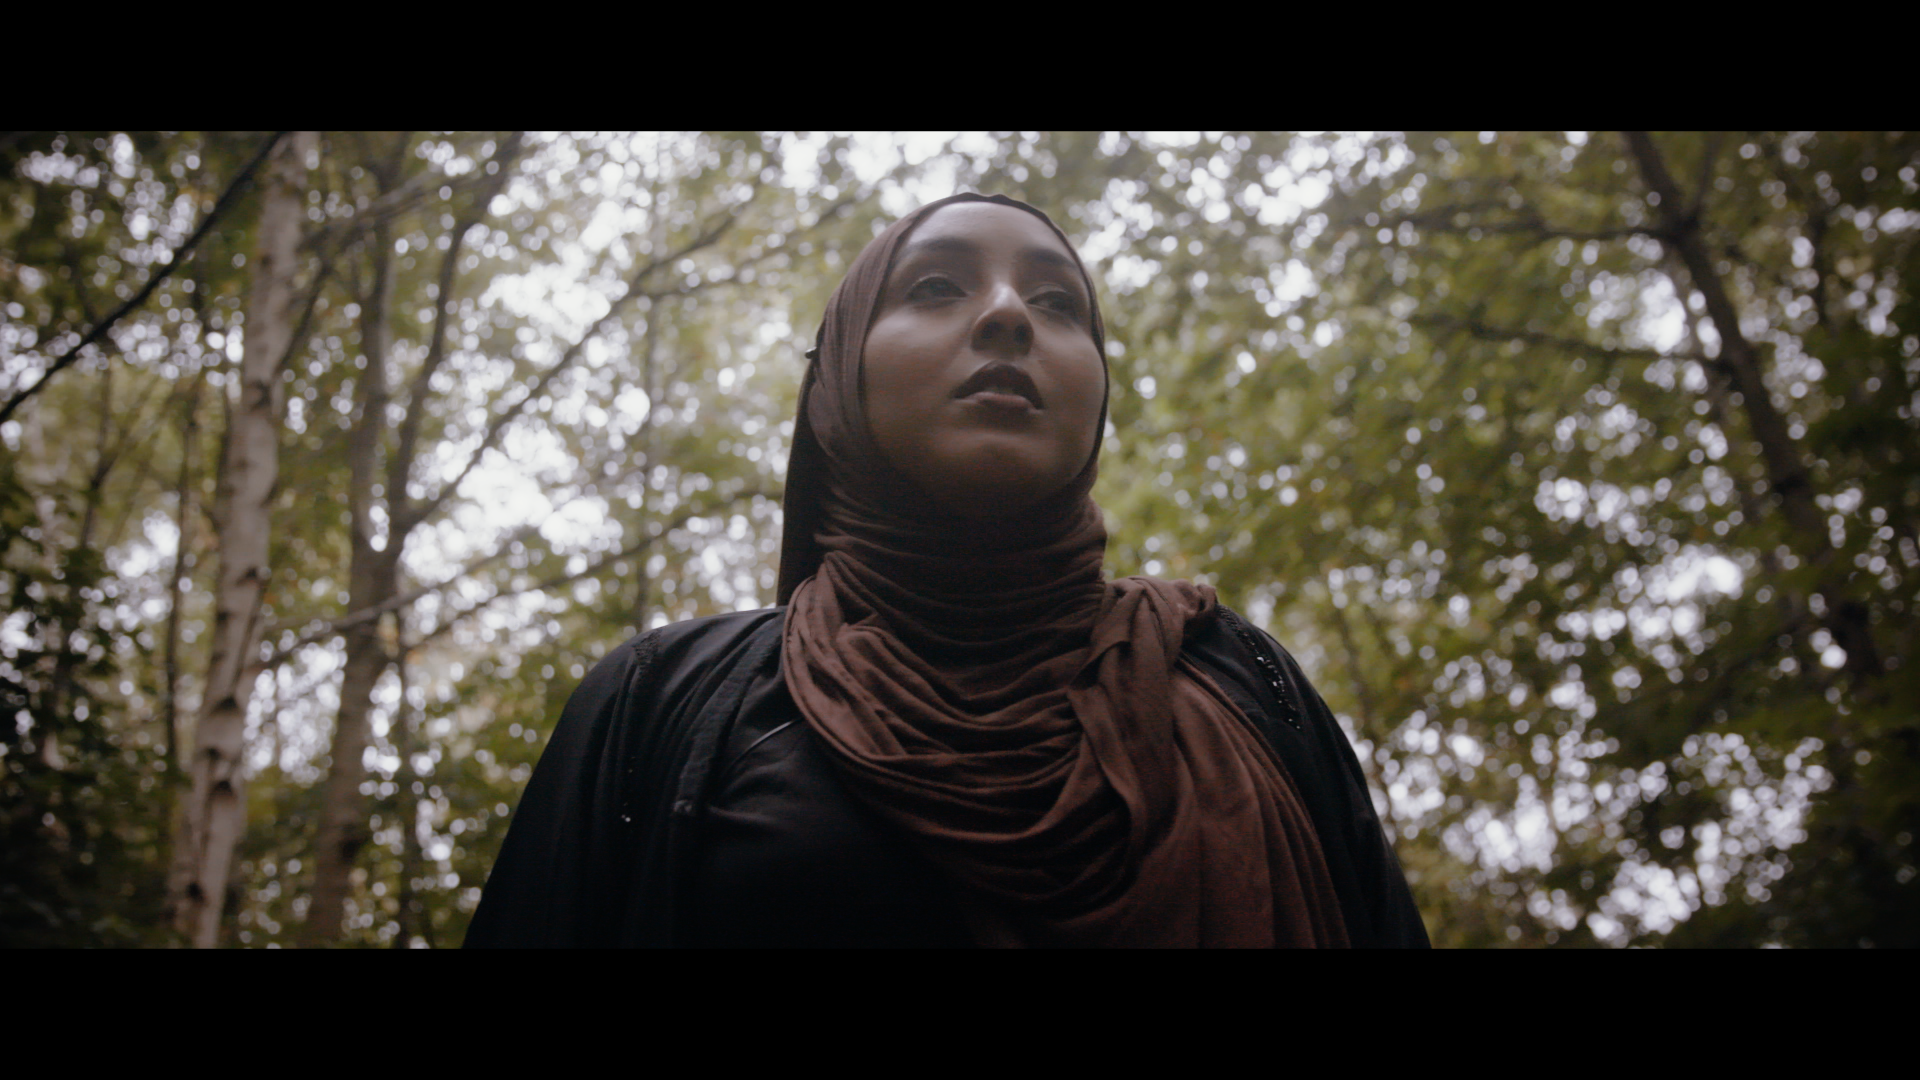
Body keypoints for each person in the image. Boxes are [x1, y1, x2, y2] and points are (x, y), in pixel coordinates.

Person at [464, 193, 1429, 948]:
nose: (1009, 314)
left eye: (1059, 304)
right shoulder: (661, 699)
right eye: (934, 288)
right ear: (839, 378)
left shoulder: (1241, 680)